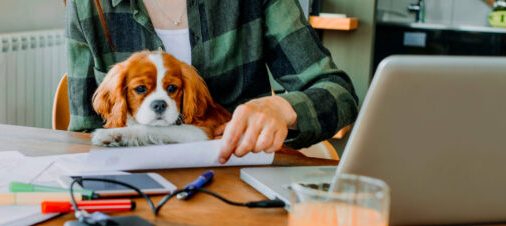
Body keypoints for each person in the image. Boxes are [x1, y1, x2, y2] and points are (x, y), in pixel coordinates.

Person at [65, 0, 359, 163]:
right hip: (131, 186)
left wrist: (282, 108)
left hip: (236, 174)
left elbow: (339, 93)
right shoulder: (88, 6)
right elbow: (81, 133)